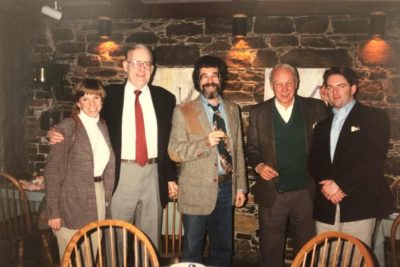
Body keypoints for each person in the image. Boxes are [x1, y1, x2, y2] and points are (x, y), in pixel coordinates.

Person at [48, 43, 177, 249]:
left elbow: (168, 140)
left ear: (152, 69)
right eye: (136, 63)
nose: (142, 69)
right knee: (115, 241)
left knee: (150, 241)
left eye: (147, 64)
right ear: (125, 65)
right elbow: (82, 114)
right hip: (120, 175)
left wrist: (171, 177)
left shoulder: (165, 98)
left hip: (154, 174)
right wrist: (55, 131)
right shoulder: (108, 96)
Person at [168, 55, 247, 266]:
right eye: (204, 76)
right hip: (195, 190)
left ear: (221, 79)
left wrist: (241, 188)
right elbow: (174, 151)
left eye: (214, 75)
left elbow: (238, 149)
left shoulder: (232, 109)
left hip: (226, 188)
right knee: (192, 251)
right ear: (197, 80)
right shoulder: (183, 111)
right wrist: (206, 143)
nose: (209, 80)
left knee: (223, 250)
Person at [246, 63, 327, 267]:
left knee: (308, 248)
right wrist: (258, 166)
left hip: (306, 192)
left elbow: (327, 147)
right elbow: (252, 148)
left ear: (297, 84)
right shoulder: (258, 112)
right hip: (273, 192)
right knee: (270, 248)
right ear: (272, 85)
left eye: (289, 83)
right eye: (279, 84)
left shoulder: (316, 108)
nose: (284, 88)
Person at [309, 66, 394, 247]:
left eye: (340, 86)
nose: (335, 92)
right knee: (326, 258)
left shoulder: (374, 118)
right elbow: (314, 161)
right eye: (330, 87)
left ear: (353, 88)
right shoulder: (322, 125)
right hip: (326, 203)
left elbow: (372, 160)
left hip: (359, 202)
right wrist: (327, 184)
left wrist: (339, 185)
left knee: (356, 258)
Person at [45, 78, 116, 259]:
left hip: (98, 196)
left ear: (102, 100)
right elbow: (53, 173)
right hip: (72, 200)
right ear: (78, 102)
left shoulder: (103, 126)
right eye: (86, 98)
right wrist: (54, 212)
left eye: (96, 98)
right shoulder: (67, 127)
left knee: (90, 256)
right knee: (73, 257)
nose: (92, 104)